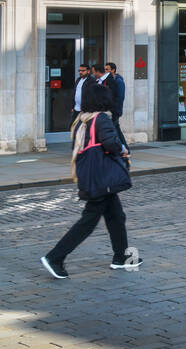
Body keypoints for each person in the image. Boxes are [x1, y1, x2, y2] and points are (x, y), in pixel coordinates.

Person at [40, 80, 141, 278]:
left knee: (116, 217)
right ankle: (55, 257)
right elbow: (111, 143)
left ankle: (121, 257)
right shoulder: (101, 118)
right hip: (101, 177)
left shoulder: (81, 119)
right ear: (103, 100)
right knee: (88, 220)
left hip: (94, 175)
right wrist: (123, 149)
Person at [104, 61, 127, 151]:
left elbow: (120, 97)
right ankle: (125, 149)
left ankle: (121, 149)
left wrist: (115, 111)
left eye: (107, 69)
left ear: (113, 70)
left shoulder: (118, 81)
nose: (105, 71)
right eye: (105, 69)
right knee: (117, 130)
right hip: (111, 110)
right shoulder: (110, 80)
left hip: (115, 111)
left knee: (114, 131)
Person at [71, 63, 90, 129]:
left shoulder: (91, 81)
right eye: (79, 70)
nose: (80, 72)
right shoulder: (78, 80)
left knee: (83, 128)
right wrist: (73, 106)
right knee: (73, 127)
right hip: (76, 108)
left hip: (85, 110)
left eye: (83, 70)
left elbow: (91, 96)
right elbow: (75, 93)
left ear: (88, 71)